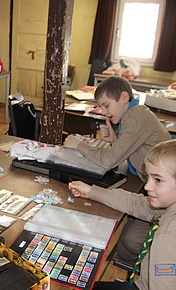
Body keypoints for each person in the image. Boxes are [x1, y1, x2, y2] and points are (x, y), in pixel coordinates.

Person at [64, 76, 171, 263]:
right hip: (152, 185)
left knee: (128, 241)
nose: (104, 112)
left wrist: (79, 145)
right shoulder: (134, 112)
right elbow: (135, 147)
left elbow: (109, 161)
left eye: (106, 105)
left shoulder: (135, 116)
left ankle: (138, 269)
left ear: (123, 97)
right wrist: (115, 141)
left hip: (165, 201)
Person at [69, 139, 176, 290]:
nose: (147, 187)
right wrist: (92, 191)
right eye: (148, 178)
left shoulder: (168, 238)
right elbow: (138, 203)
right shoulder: (169, 205)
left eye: (158, 180)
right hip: (147, 285)